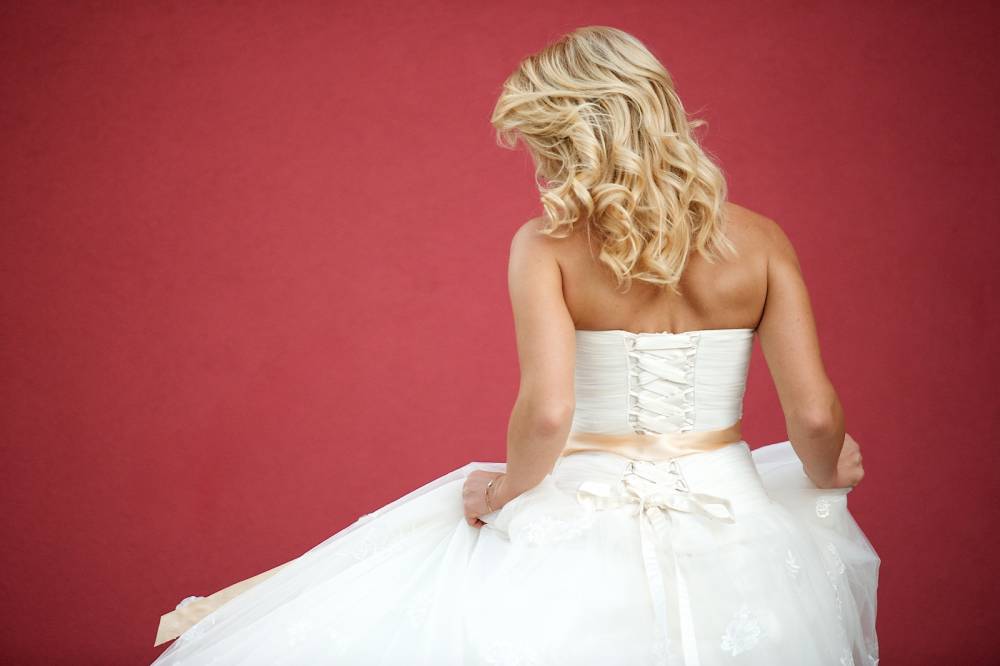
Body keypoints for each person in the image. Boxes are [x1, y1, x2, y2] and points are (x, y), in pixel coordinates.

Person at [151, 25, 879, 666]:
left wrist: (502, 494)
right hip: (734, 519)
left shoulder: (547, 245)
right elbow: (815, 418)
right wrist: (824, 476)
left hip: (582, 518)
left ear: (570, 137)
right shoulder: (761, 241)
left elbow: (548, 413)